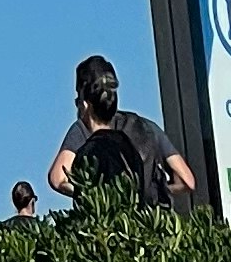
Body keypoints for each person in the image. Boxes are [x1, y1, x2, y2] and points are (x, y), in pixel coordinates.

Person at [48, 55, 195, 210]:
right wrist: (155, 191)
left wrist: (93, 195)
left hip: (107, 225)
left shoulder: (83, 130)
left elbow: (57, 179)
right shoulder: (147, 127)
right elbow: (187, 181)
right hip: (152, 223)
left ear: (85, 104)